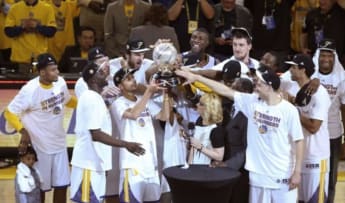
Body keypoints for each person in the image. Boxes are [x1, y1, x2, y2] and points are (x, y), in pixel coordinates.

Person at [175, 68, 304, 203]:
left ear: (269, 86)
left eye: (260, 83)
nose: (256, 86)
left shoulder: (289, 110)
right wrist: (197, 78)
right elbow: (225, 90)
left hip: (281, 176)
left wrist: (297, 172)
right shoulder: (252, 102)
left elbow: (299, 141)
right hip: (257, 177)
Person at [4, 53, 77, 203]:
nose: (57, 72)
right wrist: (23, 132)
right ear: (42, 72)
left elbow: (68, 101)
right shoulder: (30, 90)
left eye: (57, 69)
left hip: (59, 143)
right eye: (53, 70)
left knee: (62, 185)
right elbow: (9, 112)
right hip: (40, 146)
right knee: (41, 188)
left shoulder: (60, 82)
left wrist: (86, 104)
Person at [70, 62, 145, 203]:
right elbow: (96, 134)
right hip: (88, 164)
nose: (104, 73)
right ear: (92, 80)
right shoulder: (90, 97)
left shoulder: (96, 98)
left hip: (95, 164)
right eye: (100, 72)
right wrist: (125, 144)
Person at [111, 68, 164, 203]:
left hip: (150, 162)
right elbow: (134, 114)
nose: (133, 81)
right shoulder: (118, 103)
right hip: (132, 163)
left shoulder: (142, 100)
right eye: (128, 79)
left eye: (133, 78)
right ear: (120, 86)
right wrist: (149, 91)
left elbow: (164, 116)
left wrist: (167, 94)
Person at [311, 39, 345, 203]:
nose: (325, 59)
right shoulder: (309, 74)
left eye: (329, 55)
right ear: (317, 55)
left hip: (333, 136)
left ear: (334, 57)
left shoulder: (344, 78)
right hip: (312, 133)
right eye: (323, 54)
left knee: (330, 179)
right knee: (311, 176)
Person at [285, 54, 331, 203]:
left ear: (302, 69)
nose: (290, 70)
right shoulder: (292, 85)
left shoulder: (320, 93)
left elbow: (313, 127)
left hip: (316, 157)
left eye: (293, 67)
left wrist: (294, 110)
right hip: (298, 158)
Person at [211, 77, 253, 203]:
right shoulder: (226, 106)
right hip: (222, 167)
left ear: (244, 92)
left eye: (234, 89)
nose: (230, 91)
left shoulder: (249, 115)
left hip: (239, 171)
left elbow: (248, 148)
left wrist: (228, 164)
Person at [4, 0, 56, 74]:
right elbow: (8, 32)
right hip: (21, 58)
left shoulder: (47, 8)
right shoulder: (14, 8)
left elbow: (51, 32)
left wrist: (37, 26)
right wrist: (22, 27)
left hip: (40, 58)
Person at [187, 93, 224, 165]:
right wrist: (189, 165)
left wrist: (200, 147)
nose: (197, 104)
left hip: (206, 170)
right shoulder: (199, 120)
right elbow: (193, 146)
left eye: (200, 104)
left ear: (208, 108)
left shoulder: (216, 129)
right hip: (193, 168)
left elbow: (219, 157)